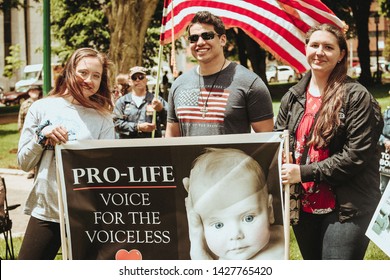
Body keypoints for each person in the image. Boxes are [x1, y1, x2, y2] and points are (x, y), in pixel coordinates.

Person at [274, 23, 384, 259]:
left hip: (348, 206)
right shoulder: (292, 97)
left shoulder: (357, 96)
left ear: (341, 54)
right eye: (314, 45)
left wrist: (303, 172)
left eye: (328, 47)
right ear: (306, 49)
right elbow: (278, 142)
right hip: (304, 206)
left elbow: (357, 156)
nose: (319, 52)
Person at [17, 47, 115, 259]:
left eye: (96, 76)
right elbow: (24, 163)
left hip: (87, 217)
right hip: (46, 212)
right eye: (83, 72)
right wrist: (42, 137)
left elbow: (108, 171)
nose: (89, 80)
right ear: (70, 71)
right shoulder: (41, 108)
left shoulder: (104, 119)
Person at [166, 11, 273, 137]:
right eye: (194, 38)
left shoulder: (250, 83)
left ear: (222, 40)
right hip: (188, 158)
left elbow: (268, 141)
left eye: (207, 36)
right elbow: (171, 138)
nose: (200, 42)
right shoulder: (179, 84)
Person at [183, 148, 284, 260]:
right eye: (218, 225)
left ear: (270, 211)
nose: (235, 235)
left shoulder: (280, 247)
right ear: (202, 227)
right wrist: (197, 243)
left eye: (248, 218)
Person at [113, 66, 168, 138]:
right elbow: (116, 124)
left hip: (151, 145)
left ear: (146, 80)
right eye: (134, 78)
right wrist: (138, 127)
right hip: (128, 146)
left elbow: (171, 122)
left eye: (141, 77)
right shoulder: (122, 102)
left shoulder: (157, 100)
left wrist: (161, 110)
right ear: (129, 82)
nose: (138, 80)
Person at [17, 85, 43, 179]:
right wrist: (20, 129)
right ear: (29, 92)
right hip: (29, 132)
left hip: (41, 131)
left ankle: (38, 170)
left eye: (36, 90)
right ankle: (31, 171)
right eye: (32, 91)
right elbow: (21, 117)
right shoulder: (25, 103)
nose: (34, 92)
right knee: (30, 150)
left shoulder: (43, 102)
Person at [379, 106, 390, 194]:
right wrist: (384, 140)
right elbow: (377, 132)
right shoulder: (386, 113)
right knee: (383, 186)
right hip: (386, 157)